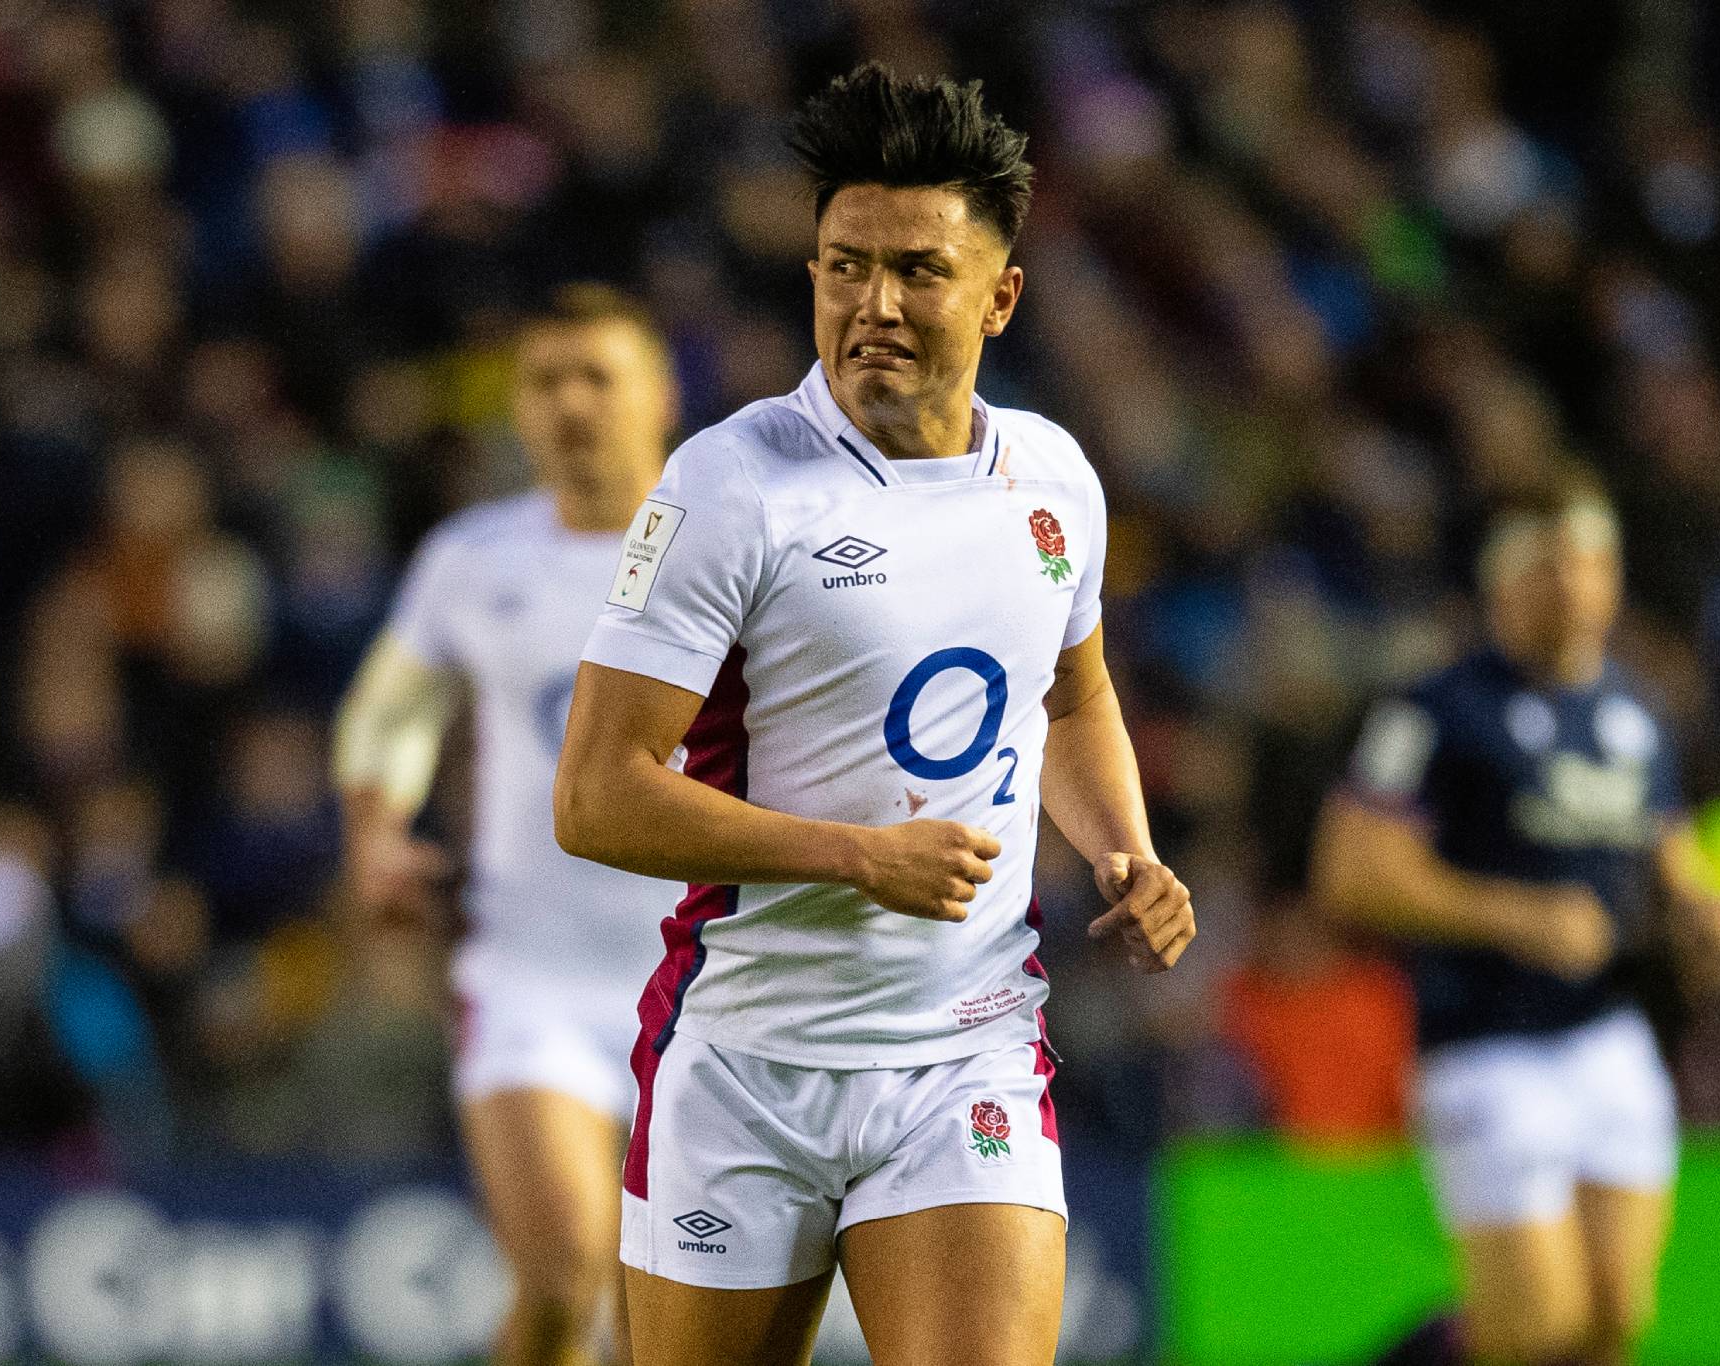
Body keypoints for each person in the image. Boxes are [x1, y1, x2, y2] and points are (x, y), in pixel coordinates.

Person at [552, 64, 1196, 1366]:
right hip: (745, 1061)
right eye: (845, 267)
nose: (875, 306)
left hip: (965, 1055)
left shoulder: (1055, 480)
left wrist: (1123, 846)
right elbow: (596, 793)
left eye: (918, 270)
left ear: (1001, 295)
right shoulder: (730, 488)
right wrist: (856, 854)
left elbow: (1072, 693)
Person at [1310, 477, 1720, 1366]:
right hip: (1487, 1045)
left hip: (1608, 1037)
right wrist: (1514, 915)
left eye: (1593, 561)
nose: (1578, 586)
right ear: (1499, 581)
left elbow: (1671, 855)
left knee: (1613, 1323)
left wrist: (1708, 917)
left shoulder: (1640, 713)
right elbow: (1350, 875)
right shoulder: (1433, 711)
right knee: (1532, 1332)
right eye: (1551, 563)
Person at [333, 283, 683, 1366]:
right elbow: (391, 712)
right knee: (563, 1272)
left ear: (659, 397)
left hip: (706, 984)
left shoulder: (731, 552)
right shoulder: (473, 560)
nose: (571, 402)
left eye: (597, 376)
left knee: (666, 1321)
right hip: (530, 979)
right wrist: (376, 830)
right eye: (545, 380)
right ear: (516, 410)